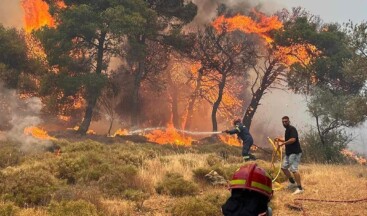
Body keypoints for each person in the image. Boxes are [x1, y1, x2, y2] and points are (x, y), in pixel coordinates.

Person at [276, 116, 303, 195]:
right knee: (284, 168)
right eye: (283, 122)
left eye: (286, 121)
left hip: (295, 152)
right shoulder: (287, 130)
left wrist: (283, 143)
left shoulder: (292, 129)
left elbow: (293, 139)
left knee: (294, 169)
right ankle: (292, 183)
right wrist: (281, 140)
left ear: (289, 121)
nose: (284, 123)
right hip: (289, 153)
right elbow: (288, 139)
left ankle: (300, 188)